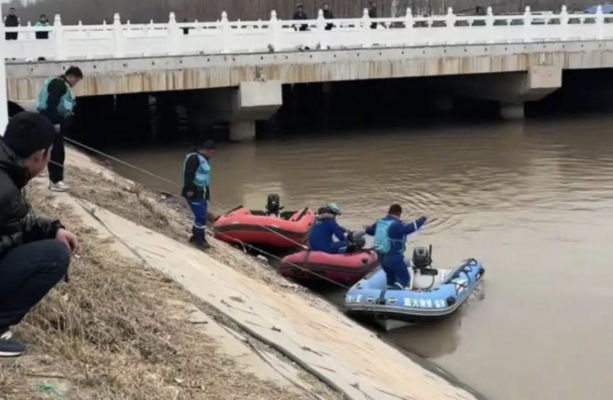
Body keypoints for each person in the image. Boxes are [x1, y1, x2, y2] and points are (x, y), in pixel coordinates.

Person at [0, 112, 79, 358]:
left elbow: (14, 224)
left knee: (46, 243)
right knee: (54, 255)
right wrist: (30, 239)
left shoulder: (5, 175)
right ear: (40, 155)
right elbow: (13, 230)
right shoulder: (4, 191)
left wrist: (51, 229)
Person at [36, 66, 83, 193]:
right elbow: (51, 104)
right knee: (57, 152)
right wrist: (55, 123)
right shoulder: (59, 85)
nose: (75, 83)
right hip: (52, 124)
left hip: (51, 124)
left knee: (54, 151)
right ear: (71, 77)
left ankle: (55, 179)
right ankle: (56, 181)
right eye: (76, 80)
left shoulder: (59, 83)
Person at [365, 204, 427, 290]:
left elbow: (369, 231)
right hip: (394, 258)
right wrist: (422, 220)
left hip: (381, 258)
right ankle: (394, 295)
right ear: (399, 213)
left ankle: (387, 296)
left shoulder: (380, 223)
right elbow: (409, 229)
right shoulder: (396, 225)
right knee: (404, 279)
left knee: (391, 278)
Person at [182, 141, 216, 250]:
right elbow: (188, 174)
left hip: (203, 192)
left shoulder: (204, 159)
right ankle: (198, 239)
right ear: (205, 150)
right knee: (200, 217)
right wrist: (189, 190)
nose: (212, 155)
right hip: (194, 192)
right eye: (211, 153)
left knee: (202, 216)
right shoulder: (193, 158)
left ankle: (199, 237)